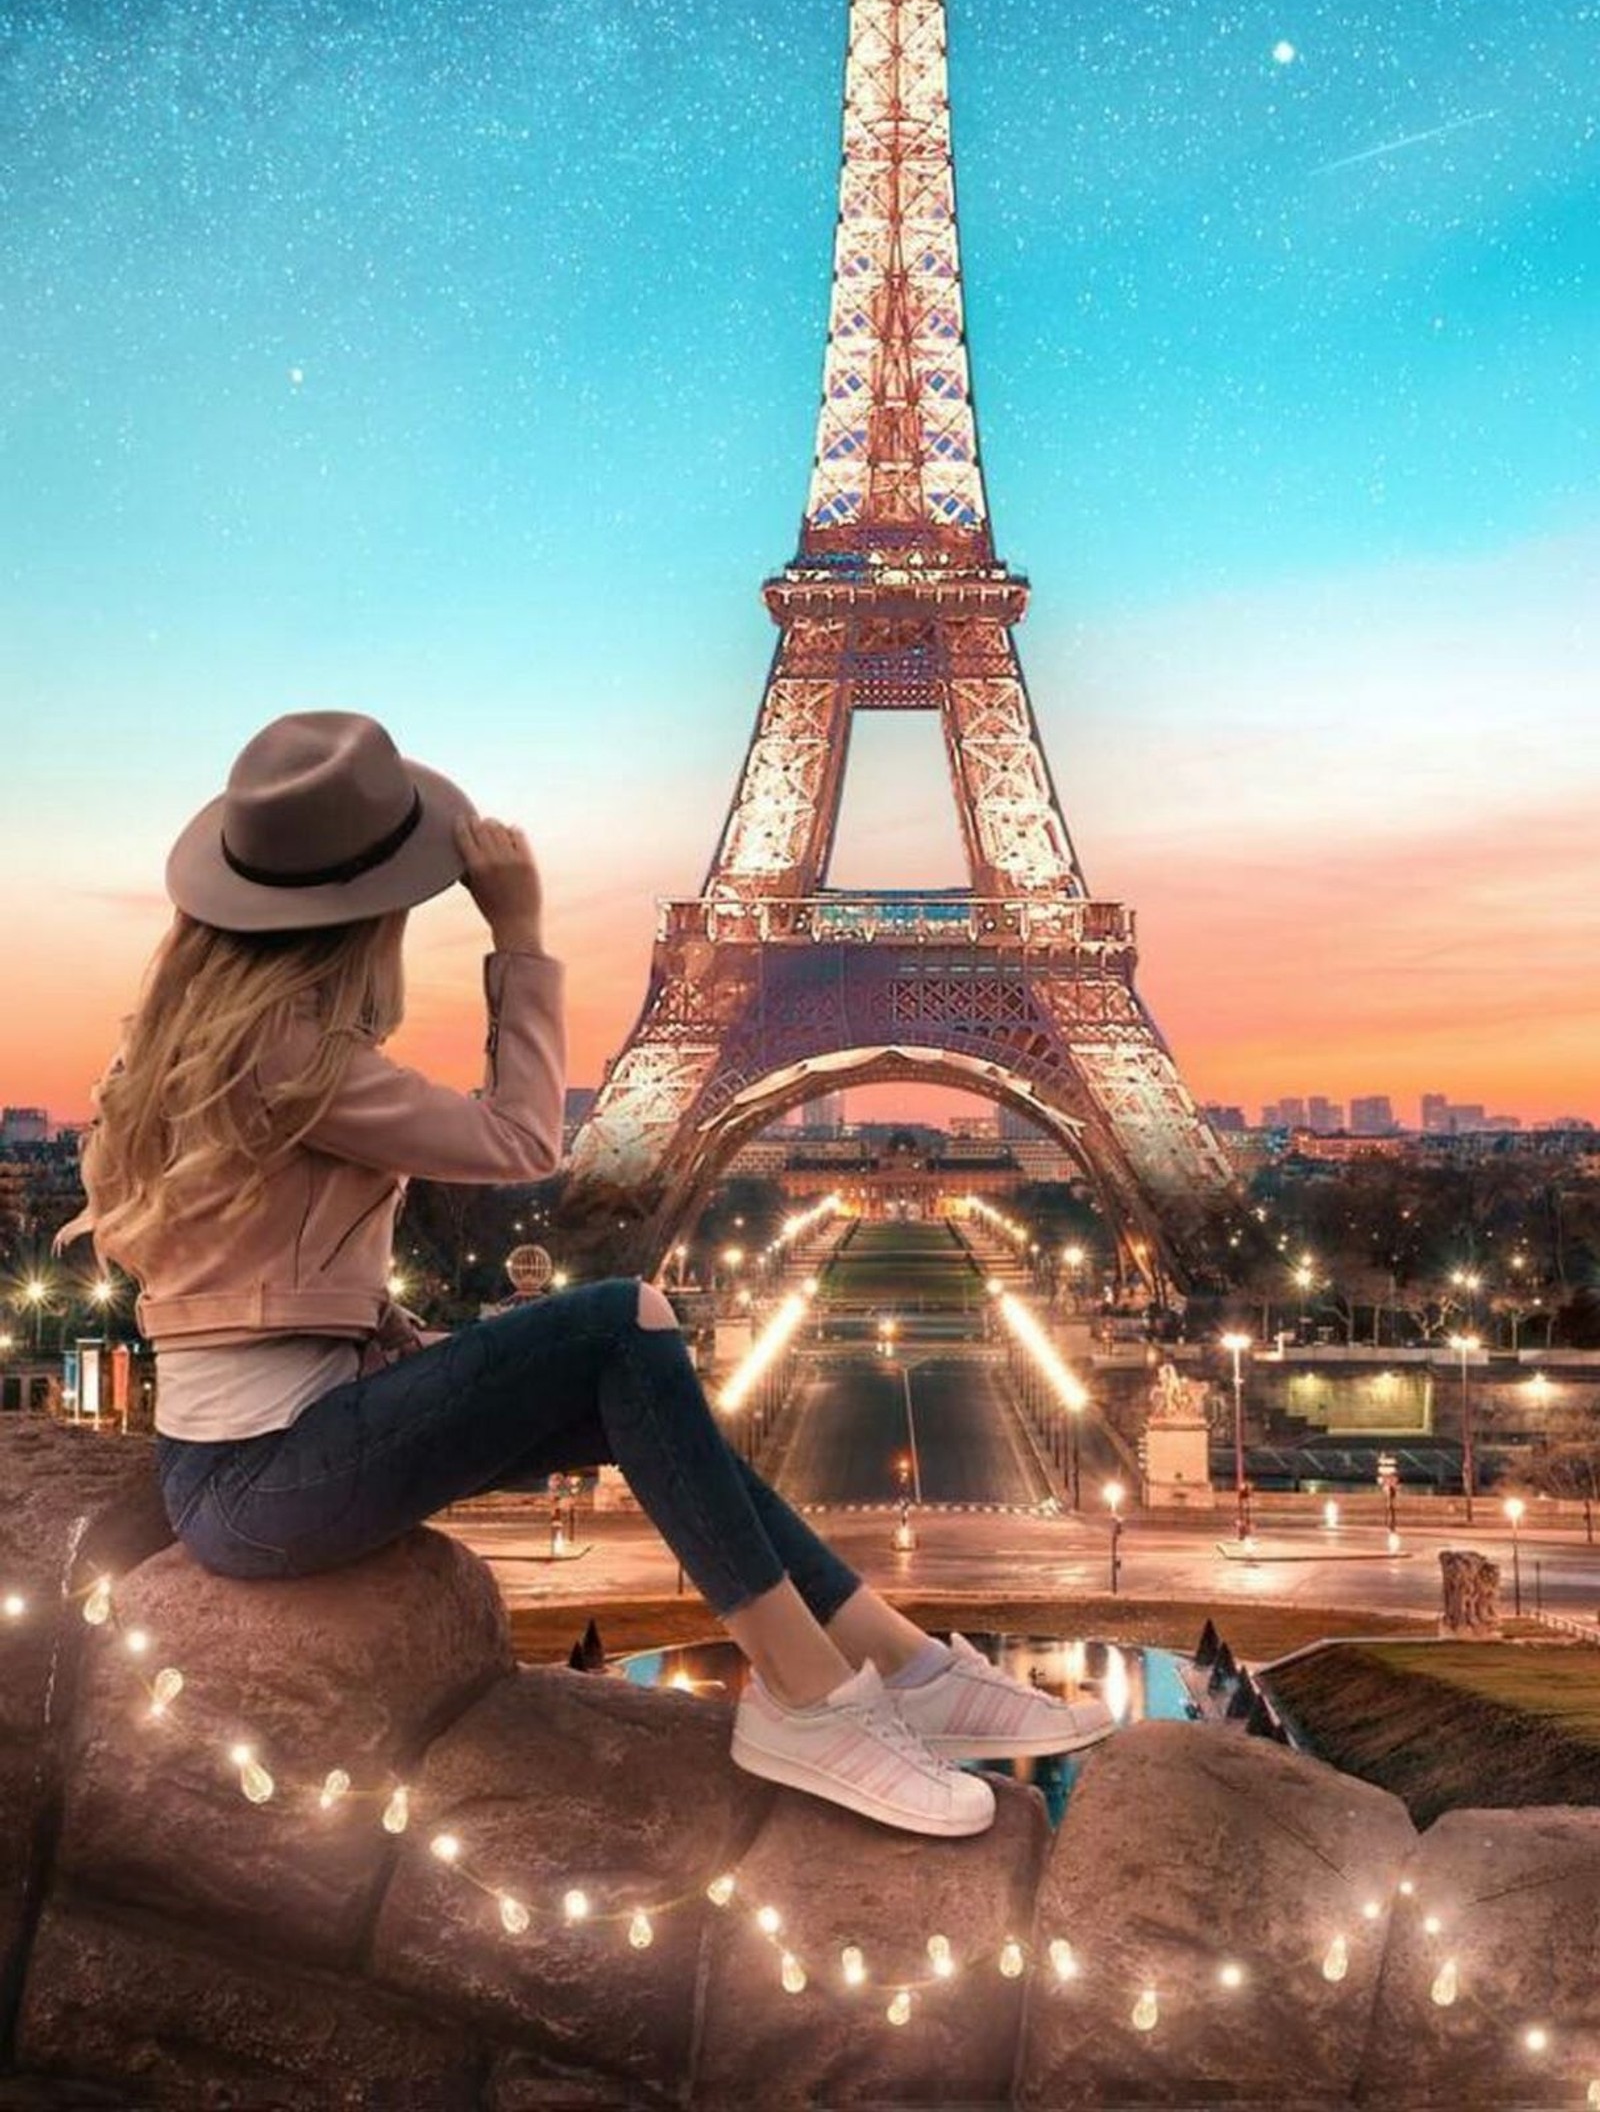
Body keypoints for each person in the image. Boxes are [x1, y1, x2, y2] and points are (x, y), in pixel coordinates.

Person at [53, 710, 1112, 1840]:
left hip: (255, 1466)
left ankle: (892, 1661)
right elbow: (521, 1138)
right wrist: (518, 932)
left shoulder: (208, 1051)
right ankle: (808, 1696)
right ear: (365, 918)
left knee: (647, 1398)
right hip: (270, 1480)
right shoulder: (297, 1062)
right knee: (620, 1327)